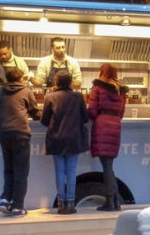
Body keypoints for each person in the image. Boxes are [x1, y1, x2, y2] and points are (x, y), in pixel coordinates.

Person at [0, 67, 41, 217]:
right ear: (21, 79)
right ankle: (17, 208)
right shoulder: (26, 91)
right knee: (21, 171)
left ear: (6, 79)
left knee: (9, 168)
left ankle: (5, 199)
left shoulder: (0, 91)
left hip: (3, 133)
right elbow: (35, 113)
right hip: (21, 133)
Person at [41, 73, 89, 214]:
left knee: (60, 171)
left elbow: (44, 121)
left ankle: (61, 204)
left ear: (56, 82)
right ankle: (71, 204)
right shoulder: (78, 97)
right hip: (74, 138)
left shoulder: (49, 97)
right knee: (71, 171)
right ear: (70, 83)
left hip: (56, 139)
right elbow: (86, 118)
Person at [88, 63, 128, 211]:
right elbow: (122, 112)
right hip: (115, 125)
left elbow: (92, 111)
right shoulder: (121, 90)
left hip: (102, 125)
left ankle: (111, 200)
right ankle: (115, 200)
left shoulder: (97, 88)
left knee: (107, 166)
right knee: (108, 165)